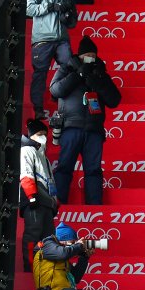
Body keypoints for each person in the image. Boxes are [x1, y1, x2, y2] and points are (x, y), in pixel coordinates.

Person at [49, 35, 122, 205]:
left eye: (93, 55)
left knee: (93, 171)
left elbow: (114, 100)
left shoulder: (101, 73)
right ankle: (58, 204)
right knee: (64, 167)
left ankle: (95, 207)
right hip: (70, 127)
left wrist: (96, 81)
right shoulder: (66, 69)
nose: (90, 58)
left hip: (94, 130)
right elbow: (55, 90)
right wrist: (79, 74)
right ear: (79, 56)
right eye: (86, 55)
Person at [25, 0, 92, 119]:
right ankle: (38, 108)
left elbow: (72, 21)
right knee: (40, 74)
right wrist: (50, 7)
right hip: (42, 39)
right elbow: (28, 9)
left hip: (62, 38)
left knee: (70, 68)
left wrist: (69, 17)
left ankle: (59, 97)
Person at [31, 222, 107, 290]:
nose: (73, 244)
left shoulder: (62, 259)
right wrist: (79, 245)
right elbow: (63, 253)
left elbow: (76, 278)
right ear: (63, 240)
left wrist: (84, 257)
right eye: (72, 242)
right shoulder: (47, 245)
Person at [20, 119, 58, 272]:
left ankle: (44, 268)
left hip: (47, 203)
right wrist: (31, 196)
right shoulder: (26, 151)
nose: (43, 137)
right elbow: (26, 174)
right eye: (39, 134)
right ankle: (29, 266)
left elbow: (50, 181)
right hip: (34, 201)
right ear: (31, 135)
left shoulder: (45, 158)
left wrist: (55, 202)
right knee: (33, 234)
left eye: (45, 134)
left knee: (49, 238)